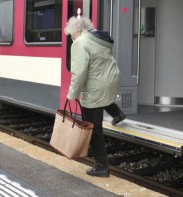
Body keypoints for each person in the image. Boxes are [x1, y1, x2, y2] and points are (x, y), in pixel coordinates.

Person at [64, 16, 125, 177]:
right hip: (110, 80)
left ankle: (101, 167)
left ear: (78, 30)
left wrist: (72, 95)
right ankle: (118, 114)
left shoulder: (80, 43)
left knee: (93, 127)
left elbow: (79, 73)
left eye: (71, 35)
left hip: (96, 85)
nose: (72, 38)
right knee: (101, 99)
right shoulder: (97, 39)